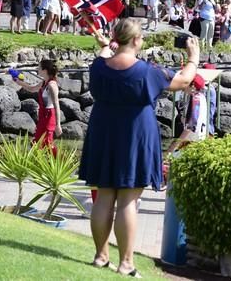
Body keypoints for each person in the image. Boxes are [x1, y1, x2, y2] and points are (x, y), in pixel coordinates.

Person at [79, 19, 199, 276]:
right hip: (135, 135)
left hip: (103, 132)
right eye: (141, 38)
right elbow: (184, 80)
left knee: (104, 195)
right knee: (127, 200)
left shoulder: (99, 67)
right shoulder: (148, 71)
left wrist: (105, 46)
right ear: (135, 41)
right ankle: (126, 263)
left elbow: (103, 56)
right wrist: (193, 56)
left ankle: (100, 256)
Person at [13, 60, 62, 156]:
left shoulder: (52, 85)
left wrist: (58, 124)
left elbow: (56, 105)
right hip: (43, 116)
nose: (37, 69)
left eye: (39, 67)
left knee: (47, 142)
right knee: (38, 141)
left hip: (49, 116)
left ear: (44, 70)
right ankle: (42, 163)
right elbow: (32, 89)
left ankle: (60, 162)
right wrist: (18, 82)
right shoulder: (44, 82)